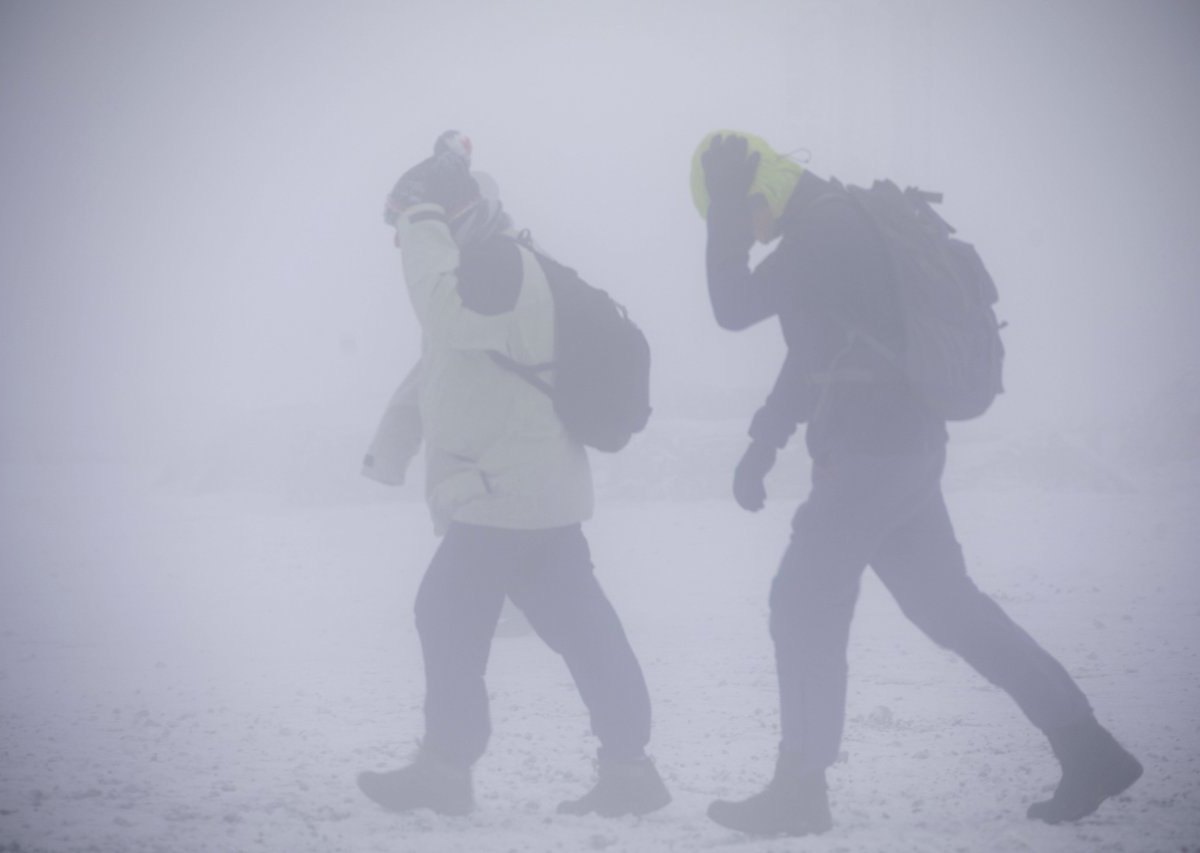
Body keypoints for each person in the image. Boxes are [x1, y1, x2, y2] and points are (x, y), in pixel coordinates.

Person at [691, 131, 1142, 837]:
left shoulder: (823, 232)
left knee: (801, 603)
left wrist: (722, 207)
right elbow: (815, 349)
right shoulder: (840, 224)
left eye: (742, 215)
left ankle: (800, 788)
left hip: (869, 454)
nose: (746, 234)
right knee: (949, 606)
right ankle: (1088, 746)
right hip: (903, 446)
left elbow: (731, 305)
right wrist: (764, 440)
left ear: (760, 194)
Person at [357, 132, 670, 819]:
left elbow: (438, 312)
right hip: (530, 491)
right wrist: (391, 446)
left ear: (450, 218)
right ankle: (630, 767)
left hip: (507, 491)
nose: (402, 244)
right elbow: (439, 366)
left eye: (411, 226)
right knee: (581, 624)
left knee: (444, 609)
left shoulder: (500, 268)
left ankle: (446, 767)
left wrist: (421, 213)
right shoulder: (490, 274)